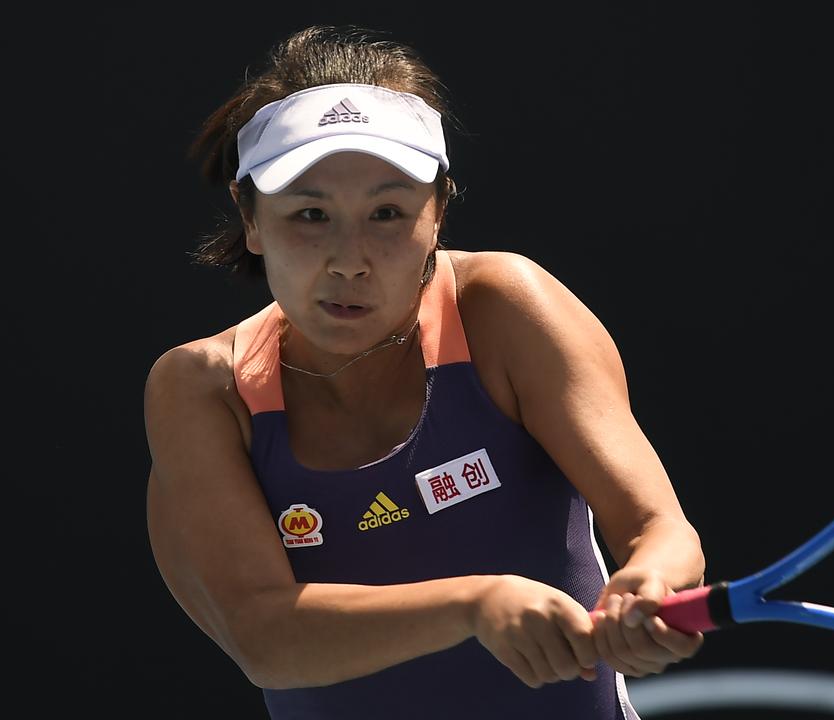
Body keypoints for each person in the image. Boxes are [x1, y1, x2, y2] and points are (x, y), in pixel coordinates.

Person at [144, 25, 705, 720]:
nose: (349, 259)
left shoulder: (505, 309)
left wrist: (650, 587)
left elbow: (662, 529)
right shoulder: (201, 390)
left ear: (437, 211)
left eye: (387, 213)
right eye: (310, 214)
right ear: (250, 216)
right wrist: (477, 603)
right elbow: (266, 637)